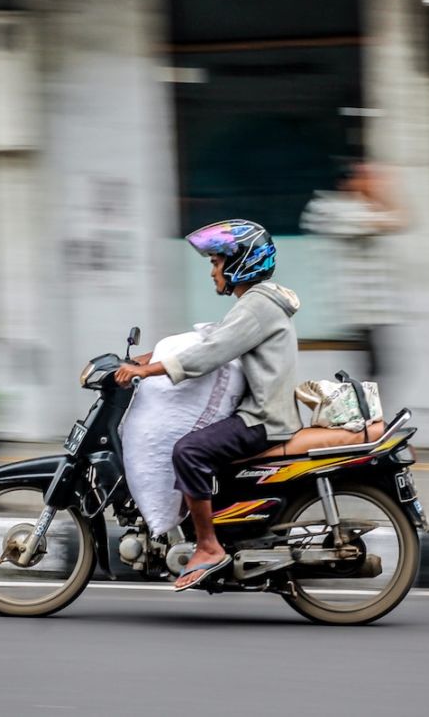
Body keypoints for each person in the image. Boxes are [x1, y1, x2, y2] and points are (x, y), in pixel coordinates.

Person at [115, 219, 301, 591]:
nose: (213, 272)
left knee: (188, 450)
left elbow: (213, 352)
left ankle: (208, 546)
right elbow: (209, 339)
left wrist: (149, 371)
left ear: (240, 263)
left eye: (216, 263)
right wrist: (142, 361)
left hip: (264, 419)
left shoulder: (258, 306)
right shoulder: (253, 304)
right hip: (260, 413)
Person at [300, 159, 404, 381]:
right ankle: (362, 414)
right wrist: (380, 193)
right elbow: (395, 220)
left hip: (371, 312)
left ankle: (366, 413)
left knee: (377, 372)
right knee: (366, 376)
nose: (373, 183)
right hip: (356, 311)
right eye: (365, 178)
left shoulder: (358, 207)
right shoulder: (332, 209)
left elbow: (398, 220)